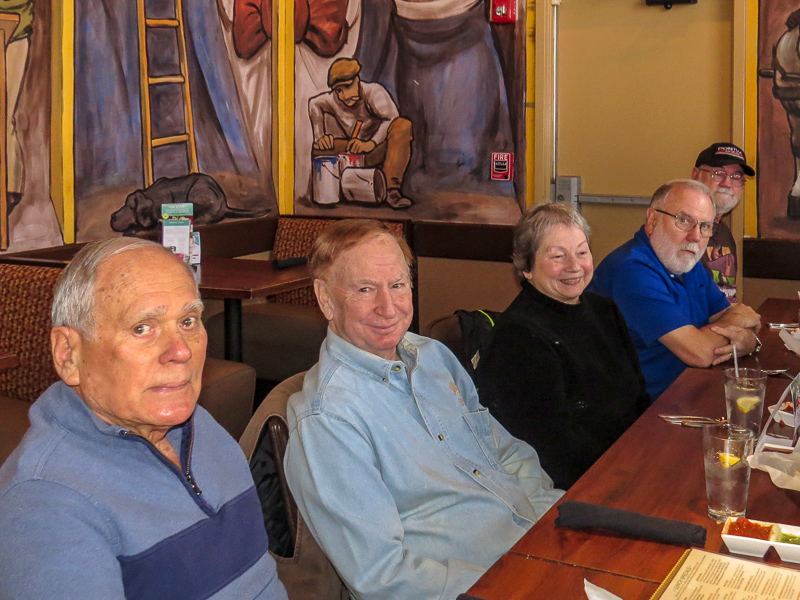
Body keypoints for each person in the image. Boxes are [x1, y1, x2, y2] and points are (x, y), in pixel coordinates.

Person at [283, 219, 563, 600]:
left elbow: (505, 453)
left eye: (397, 285)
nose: (388, 307)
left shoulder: (432, 357)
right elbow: (382, 577)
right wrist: (513, 584)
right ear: (326, 299)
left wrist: (556, 525)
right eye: (365, 289)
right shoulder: (328, 419)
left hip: (539, 545)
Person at [0, 239, 287, 599]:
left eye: (188, 321)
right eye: (142, 328)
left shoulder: (199, 423)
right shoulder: (47, 505)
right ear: (69, 354)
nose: (181, 351)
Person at [476, 203, 649, 490]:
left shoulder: (603, 310)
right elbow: (554, 450)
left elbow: (637, 395)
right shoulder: (519, 338)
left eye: (582, 252)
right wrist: (629, 472)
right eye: (558, 256)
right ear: (527, 268)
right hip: (579, 484)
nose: (574, 266)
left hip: (629, 461)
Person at [589, 180, 761, 399]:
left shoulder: (684, 262)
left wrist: (748, 341)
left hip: (689, 393)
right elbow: (701, 353)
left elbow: (734, 317)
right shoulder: (631, 270)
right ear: (652, 220)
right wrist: (739, 335)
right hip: (639, 412)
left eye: (705, 226)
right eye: (683, 221)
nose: (695, 237)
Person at [309, 57, 414, 208]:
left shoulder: (373, 91)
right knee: (319, 148)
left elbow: (391, 119)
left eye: (347, 86)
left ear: (357, 79)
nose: (343, 96)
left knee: (403, 126)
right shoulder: (332, 100)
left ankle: (392, 191)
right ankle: (336, 190)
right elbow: (314, 104)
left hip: (378, 149)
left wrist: (370, 144)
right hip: (352, 149)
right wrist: (320, 136)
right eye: (338, 90)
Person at [691, 142, 755, 303]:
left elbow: (728, 294)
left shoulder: (723, 231)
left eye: (736, 177)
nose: (727, 183)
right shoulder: (682, 229)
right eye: (718, 173)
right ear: (695, 175)